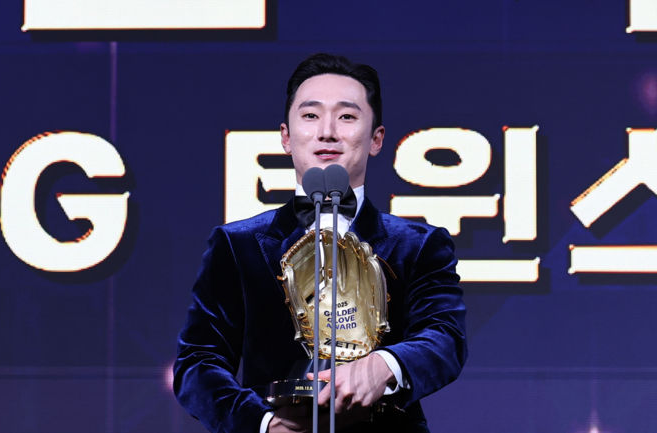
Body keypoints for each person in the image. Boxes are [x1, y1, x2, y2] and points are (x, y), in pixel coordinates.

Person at [173, 53, 467, 433]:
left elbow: (445, 338)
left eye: (347, 116)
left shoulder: (420, 246)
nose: (327, 132)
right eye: (311, 115)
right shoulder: (237, 245)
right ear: (286, 136)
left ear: (376, 139)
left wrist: (385, 366)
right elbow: (197, 362)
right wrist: (262, 424)